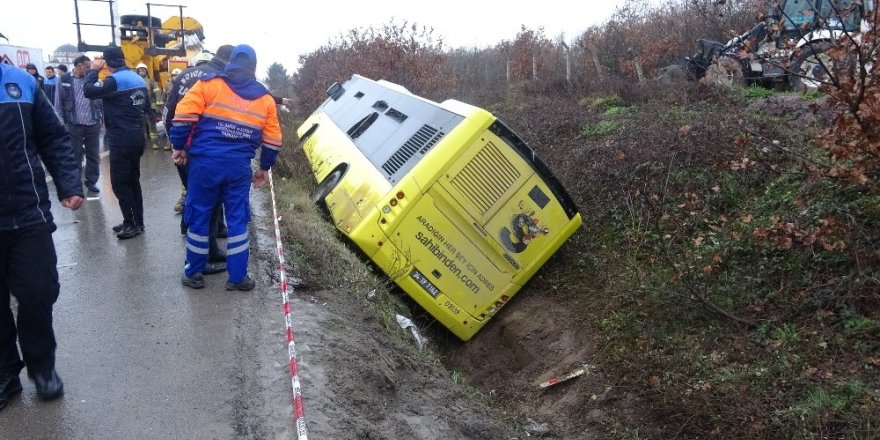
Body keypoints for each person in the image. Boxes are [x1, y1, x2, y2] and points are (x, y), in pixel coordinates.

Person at [0, 62, 84, 410]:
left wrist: (68, 183)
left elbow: (53, 137)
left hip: (26, 212)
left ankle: (42, 367)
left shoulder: (21, 83)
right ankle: (5, 372)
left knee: (38, 291)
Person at [170, 44, 282, 290]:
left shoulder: (208, 85)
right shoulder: (265, 100)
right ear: (254, 67)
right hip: (238, 168)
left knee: (199, 215)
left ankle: (194, 273)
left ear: (230, 62)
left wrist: (178, 146)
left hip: (204, 165)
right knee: (237, 220)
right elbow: (273, 139)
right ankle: (238, 278)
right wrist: (264, 168)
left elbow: (183, 116)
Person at [164, 45, 235, 275]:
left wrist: (177, 147)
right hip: (205, 151)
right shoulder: (220, 80)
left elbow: (169, 112)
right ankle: (199, 262)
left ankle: (208, 250)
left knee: (196, 199)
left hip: (187, 148)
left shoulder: (184, 76)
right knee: (208, 206)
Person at [83, 46, 150, 239]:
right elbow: (145, 107)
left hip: (121, 138)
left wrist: (94, 70)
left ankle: (131, 224)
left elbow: (88, 91)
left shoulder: (114, 81)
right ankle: (138, 221)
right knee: (133, 181)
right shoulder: (137, 79)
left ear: (107, 62)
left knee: (120, 183)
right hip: (137, 136)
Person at [55, 55, 103, 194]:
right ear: (78, 65)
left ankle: (91, 181)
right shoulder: (64, 80)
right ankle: (76, 183)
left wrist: (101, 119)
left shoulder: (92, 80)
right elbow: (58, 103)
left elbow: (100, 102)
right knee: (75, 155)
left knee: (93, 155)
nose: (90, 69)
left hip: (92, 123)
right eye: (87, 67)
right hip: (74, 124)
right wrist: (60, 124)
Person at [135, 62, 163, 150]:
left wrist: (158, 105)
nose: (141, 72)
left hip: (150, 107)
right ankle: (142, 143)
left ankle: (155, 143)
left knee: (152, 125)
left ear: (146, 71)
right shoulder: (135, 81)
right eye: (140, 70)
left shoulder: (151, 81)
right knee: (140, 126)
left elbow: (158, 92)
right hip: (138, 107)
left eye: (143, 70)